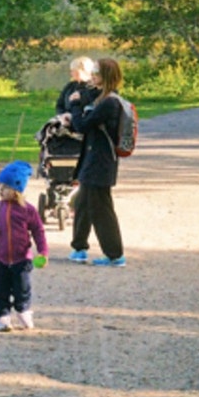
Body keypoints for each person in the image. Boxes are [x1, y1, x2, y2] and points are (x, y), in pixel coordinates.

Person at [67, 57, 126, 266]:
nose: (92, 77)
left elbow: (83, 125)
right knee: (83, 203)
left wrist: (74, 106)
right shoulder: (101, 98)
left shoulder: (110, 102)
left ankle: (114, 254)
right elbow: (85, 116)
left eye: (96, 73)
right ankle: (79, 247)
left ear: (106, 77)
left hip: (101, 162)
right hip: (92, 160)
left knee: (101, 208)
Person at [0, 160, 48, 331]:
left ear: (16, 190)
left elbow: (38, 231)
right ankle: (2, 316)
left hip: (21, 258)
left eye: (5, 187)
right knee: (0, 289)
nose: (1, 190)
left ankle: (23, 310)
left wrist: (43, 251)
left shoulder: (28, 210)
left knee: (22, 288)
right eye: (0, 186)